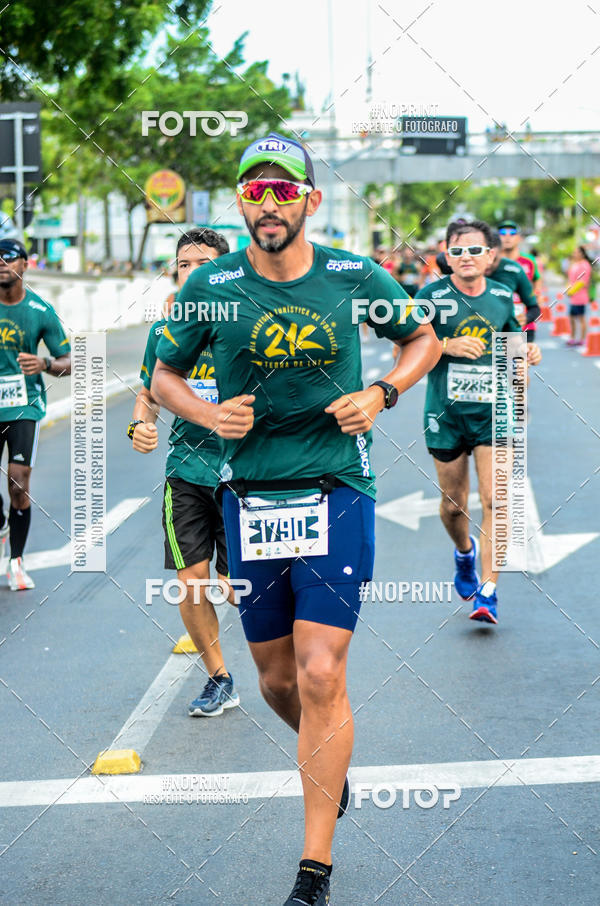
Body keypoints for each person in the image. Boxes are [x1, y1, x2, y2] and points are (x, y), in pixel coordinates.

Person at [152, 132, 440, 906]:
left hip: (337, 489)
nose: (268, 204)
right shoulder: (211, 283)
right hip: (251, 498)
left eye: (285, 191)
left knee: (321, 671)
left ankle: (313, 872)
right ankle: (330, 766)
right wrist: (211, 417)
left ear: (310, 199)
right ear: (240, 201)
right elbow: (164, 374)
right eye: (255, 190)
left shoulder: (353, 274)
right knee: (277, 678)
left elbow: (422, 337)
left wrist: (382, 393)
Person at [129, 228, 239, 717]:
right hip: (187, 471)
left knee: (242, 590)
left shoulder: (247, 325)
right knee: (191, 581)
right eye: (183, 265)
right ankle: (220, 676)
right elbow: (149, 395)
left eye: (202, 264)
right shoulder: (164, 333)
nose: (191, 273)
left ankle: (286, 669)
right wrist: (140, 425)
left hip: (246, 476)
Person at [416, 220, 542, 625]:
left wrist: (526, 353)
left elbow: (512, 343)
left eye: (474, 250)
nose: (465, 258)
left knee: (495, 501)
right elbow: (408, 344)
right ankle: (464, 553)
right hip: (445, 414)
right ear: (446, 255)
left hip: (494, 412)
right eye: (457, 251)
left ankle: (488, 592)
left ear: (491, 256)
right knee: (455, 507)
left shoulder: (504, 296)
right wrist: (445, 344)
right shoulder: (431, 295)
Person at [0, 238, 71, 590]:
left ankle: (15, 562)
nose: (2, 263)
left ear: (25, 265)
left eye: (9, 257)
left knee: (18, 480)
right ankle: (2, 523)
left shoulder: (40, 311)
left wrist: (44, 363)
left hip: (23, 405)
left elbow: (70, 361)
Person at [486, 229, 540, 341]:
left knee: (518, 357)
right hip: (480, 334)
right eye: (485, 258)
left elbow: (534, 307)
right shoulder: (469, 272)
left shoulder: (515, 269)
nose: (489, 264)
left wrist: (526, 318)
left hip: (511, 333)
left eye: (494, 259)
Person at [565, 246, 593, 347]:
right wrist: (568, 289)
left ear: (582, 253)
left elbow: (583, 281)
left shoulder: (585, 265)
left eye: (576, 252)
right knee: (572, 317)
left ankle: (582, 339)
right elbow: (570, 279)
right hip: (573, 297)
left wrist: (572, 291)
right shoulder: (574, 264)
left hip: (580, 296)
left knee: (581, 318)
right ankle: (572, 338)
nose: (574, 254)